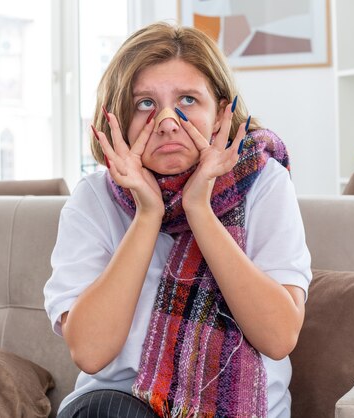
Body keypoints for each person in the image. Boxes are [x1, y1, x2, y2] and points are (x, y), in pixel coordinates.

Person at [44, 21, 311, 418]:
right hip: (121, 405)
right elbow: (90, 352)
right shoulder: (94, 199)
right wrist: (148, 215)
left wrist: (199, 209)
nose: (168, 121)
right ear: (119, 118)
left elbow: (278, 337)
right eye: (145, 104)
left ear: (221, 114)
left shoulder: (264, 183)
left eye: (187, 100)